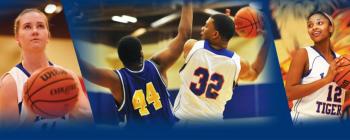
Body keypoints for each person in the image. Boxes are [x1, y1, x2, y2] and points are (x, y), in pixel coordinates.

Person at [79, 3, 192, 127]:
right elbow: (184, 35)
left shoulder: (117, 80)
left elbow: (88, 71)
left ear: (121, 59)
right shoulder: (158, 66)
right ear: (141, 53)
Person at [0, 9, 93, 129]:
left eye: (40, 26)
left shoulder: (67, 77)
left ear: (48, 35)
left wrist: (78, 111)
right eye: (27, 27)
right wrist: (29, 114)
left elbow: (90, 124)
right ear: (17, 37)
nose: (35, 31)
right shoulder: (10, 82)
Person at [173, 9, 270, 122]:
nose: (202, 28)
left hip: (183, 120)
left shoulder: (192, 47)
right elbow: (255, 72)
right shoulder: (237, 64)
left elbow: (193, 42)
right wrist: (267, 42)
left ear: (215, 34)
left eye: (206, 26)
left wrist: (228, 23)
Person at [286, 11, 350, 125]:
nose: (314, 27)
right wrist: (326, 80)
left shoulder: (343, 61)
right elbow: (289, 93)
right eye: (310, 25)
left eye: (319, 23)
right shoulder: (304, 54)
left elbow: (340, 97)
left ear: (330, 28)